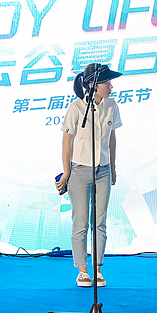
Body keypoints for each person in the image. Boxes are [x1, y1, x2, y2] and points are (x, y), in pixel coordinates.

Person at [56, 63, 122, 287]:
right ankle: (82, 270)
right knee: (81, 221)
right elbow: (66, 142)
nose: (111, 87)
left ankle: (98, 269)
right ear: (93, 85)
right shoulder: (76, 108)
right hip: (79, 169)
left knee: (100, 221)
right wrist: (67, 172)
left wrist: (113, 168)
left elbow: (112, 139)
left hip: (103, 170)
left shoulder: (112, 105)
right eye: (107, 82)